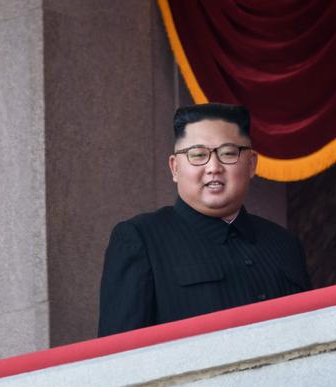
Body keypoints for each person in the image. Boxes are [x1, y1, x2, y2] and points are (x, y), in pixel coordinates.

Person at [98, 103, 311, 337]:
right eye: (198, 155)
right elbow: (117, 359)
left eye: (228, 153)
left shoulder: (285, 244)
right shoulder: (141, 240)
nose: (213, 167)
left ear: (251, 164)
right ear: (175, 167)